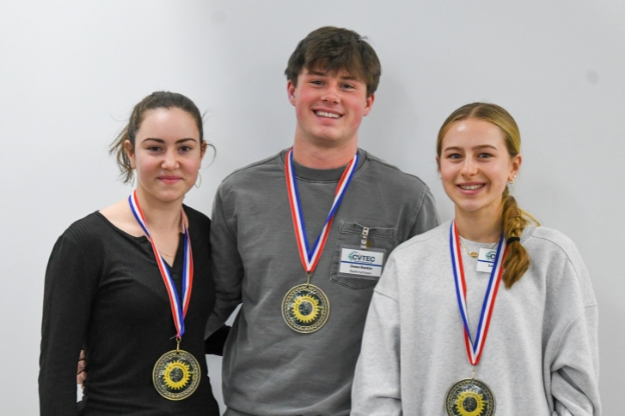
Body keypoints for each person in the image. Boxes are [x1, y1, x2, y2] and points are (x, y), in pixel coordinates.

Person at [206, 26, 439, 415]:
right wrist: (123, 347)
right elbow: (213, 303)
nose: (331, 95)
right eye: (317, 81)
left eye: (348, 85)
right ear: (292, 91)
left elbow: (427, 321)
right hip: (252, 408)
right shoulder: (239, 193)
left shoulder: (406, 200)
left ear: (368, 102)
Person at [351, 102, 601, 415]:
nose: (468, 169)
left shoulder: (552, 258)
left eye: (484, 154)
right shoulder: (408, 263)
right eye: (455, 156)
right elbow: (376, 390)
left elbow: (577, 391)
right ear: (440, 166)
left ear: (513, 166)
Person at [39, 91, 221, 415]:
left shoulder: (207, 233)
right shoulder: (85, 244)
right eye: (155, 148)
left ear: (201, 153)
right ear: (131, 152)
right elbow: (57, 370)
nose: (170, 161)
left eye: (184, 148)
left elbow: (192, 327)